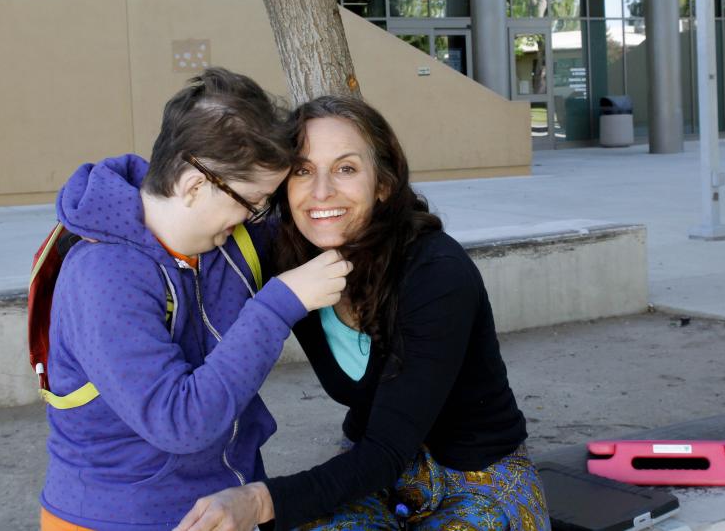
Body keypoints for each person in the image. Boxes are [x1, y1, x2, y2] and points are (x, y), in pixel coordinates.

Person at [177, 96, 550, 531]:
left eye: (346, 168)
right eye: (302, 170)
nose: (321, 192)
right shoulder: (287, 257)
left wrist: (258, 501)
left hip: (478, 477)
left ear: (383, 184)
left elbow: (386, 450)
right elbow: (176, 221)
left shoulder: (435, 273)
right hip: (369, 474)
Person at [39, 69, 352, 531]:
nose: (256, 216)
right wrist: (278, 304)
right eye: (251, 201)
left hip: (225, 502)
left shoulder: (229, 239)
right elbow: (179, 422)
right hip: (119, 518)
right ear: (193, 185)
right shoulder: (102, 276)